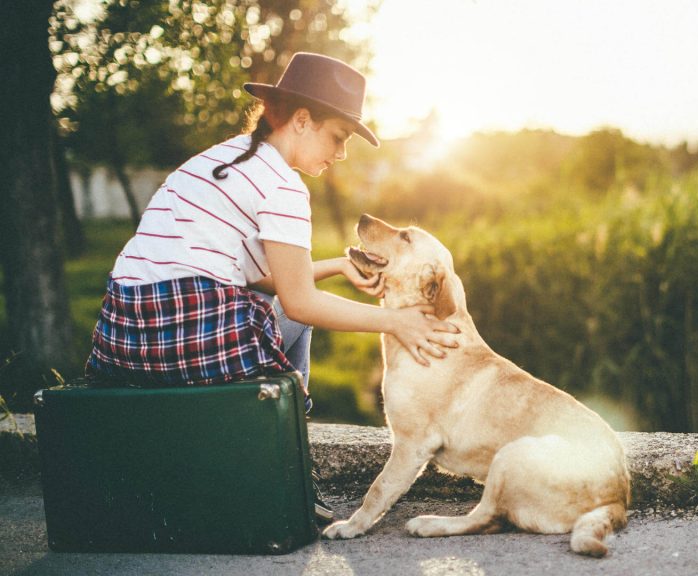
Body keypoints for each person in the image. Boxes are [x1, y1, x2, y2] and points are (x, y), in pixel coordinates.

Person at [84, 52, 459, 521]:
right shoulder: (283, 186)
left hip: (124, 340)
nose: (340, 153)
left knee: (264, 304)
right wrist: (394, 320)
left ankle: (275, 458)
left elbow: (248, 277)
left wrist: (338, 266)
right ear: (301, 120)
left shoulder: (212, 162)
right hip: (182, 345)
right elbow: (298, 303)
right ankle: (292, 469)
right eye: (337, 137)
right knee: (299, 322)